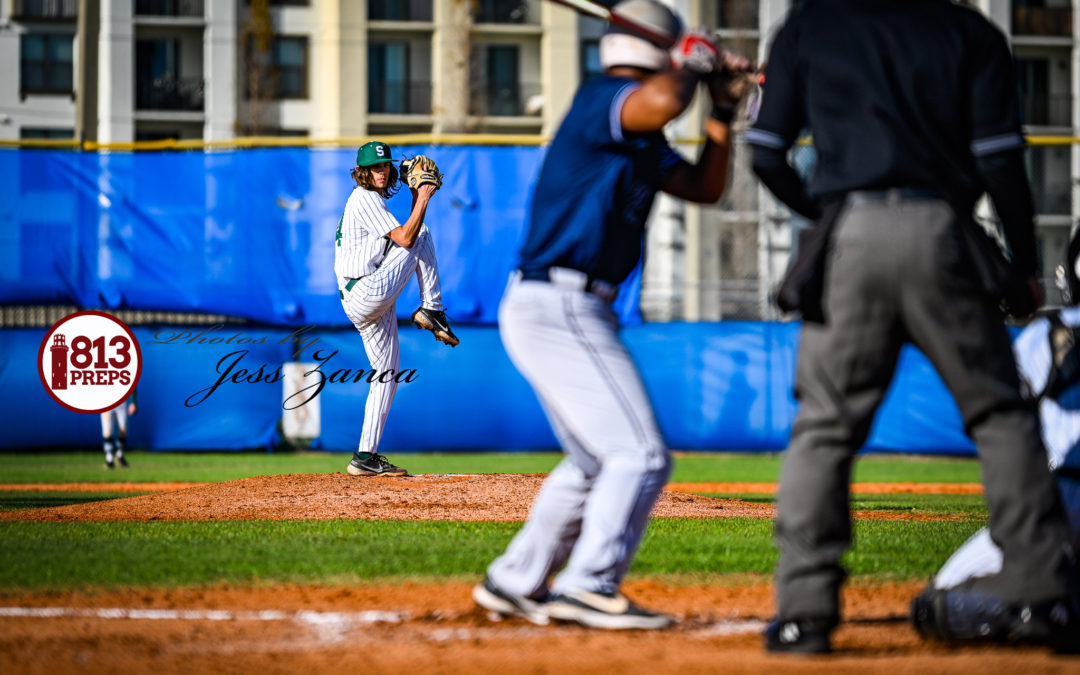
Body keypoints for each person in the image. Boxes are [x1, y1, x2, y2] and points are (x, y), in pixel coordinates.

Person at [747, 0, 1078, 654]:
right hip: (944, 232)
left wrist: (828, 212)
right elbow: (1002, 162)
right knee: (1000, 417)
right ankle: (1043, 598)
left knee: (825, 425)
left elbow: (764, 154)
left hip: (848, 235)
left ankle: (803, 615)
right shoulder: (970, 31)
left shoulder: (810, 25)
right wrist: (1022, 266)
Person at [472, 0, 752, 630]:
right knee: (642, 456)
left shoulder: (640, 133)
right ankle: (588, 585)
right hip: (560, 301)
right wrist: (696, 65)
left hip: (570, 305)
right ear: (659, 54)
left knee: (599, 461)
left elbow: (705, 187)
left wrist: (724, 112)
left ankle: (515, 580)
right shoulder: (606, 98)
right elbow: (660, 102)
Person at [920, 228, 1080, 645]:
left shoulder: (1050, 332)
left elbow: (1006, 423)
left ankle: (1054, 607)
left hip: (1062, 503)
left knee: (936, 607)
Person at [335, 141, 458, 477]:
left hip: (368, 294)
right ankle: (432, 308)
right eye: (375, 167)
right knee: (421, 234)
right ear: (361, 171)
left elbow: (396, 241)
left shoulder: (372, 202)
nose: (382, 171)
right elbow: (406, 239)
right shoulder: (364, 197)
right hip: (364, 290)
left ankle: (364, 456)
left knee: (387, 374)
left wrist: (414, 192)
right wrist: (422, 197)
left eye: (386, 166)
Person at [101, 392, 135, 469]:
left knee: (123, 430)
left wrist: (133, 402)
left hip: (121, 402)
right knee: (107, 431)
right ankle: (109, 459)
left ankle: (119, 454)